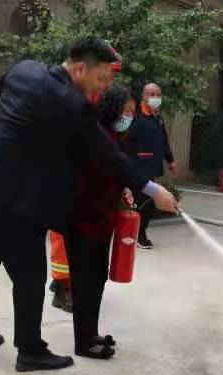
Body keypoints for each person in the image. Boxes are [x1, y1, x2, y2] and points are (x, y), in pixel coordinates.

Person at [0, 36, 177, 372]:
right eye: (100, 78)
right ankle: (30, 351)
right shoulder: (71, 102)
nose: (103, 87)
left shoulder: (24, 70)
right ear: (79, 69)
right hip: (14, 196)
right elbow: (107, 153)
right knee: (30, 273)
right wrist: (151, 188)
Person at [49, 47, 123, 313]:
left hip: (85, 175)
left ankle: (71, 283)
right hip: (65, 173)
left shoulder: (97, 95)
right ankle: (62, 286)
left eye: (112, 76)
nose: (108, 82)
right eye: (106, 76)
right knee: (62, 235)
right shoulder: (72, 94)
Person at [66, 85, 136, 360]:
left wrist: (123, 188)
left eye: (132, 112)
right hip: (83, 220)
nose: (129, 117)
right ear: (112, 109)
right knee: (84, 281)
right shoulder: (97, 135)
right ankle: (83, 343)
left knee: (96, 279)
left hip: (102, 221)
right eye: (126, 111)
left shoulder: (114, 136)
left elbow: (115, 172)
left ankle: (91, 333)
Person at [128, 82, 177, 249]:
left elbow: (163, 141)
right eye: (152, 94)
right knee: (142, 202)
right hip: (137, 167)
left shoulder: (157, 118)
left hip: (151, 168)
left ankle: (139, 233)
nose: (156, 98)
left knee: (148, 202)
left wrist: (170, 159)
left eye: (158, 95)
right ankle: (138, 235)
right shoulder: (135, 116)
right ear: (143, 96)